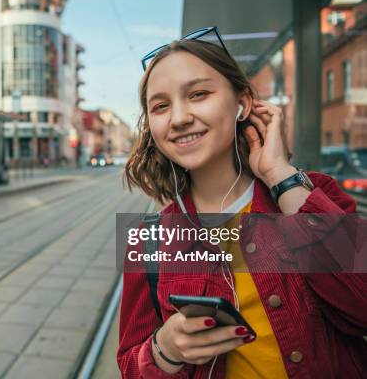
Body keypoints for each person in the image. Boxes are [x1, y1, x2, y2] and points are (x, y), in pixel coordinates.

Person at [118, 33, 366, 378]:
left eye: (199, 94)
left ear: (243, 103)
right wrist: (165, 349)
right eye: (160, 106)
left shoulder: (312, 196)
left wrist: (280, 175)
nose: (178, 118)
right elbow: (130, 364)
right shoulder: (148, 241)